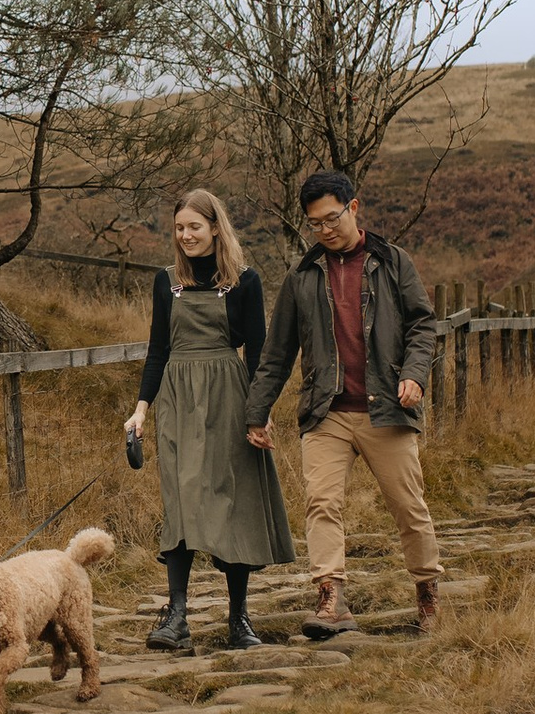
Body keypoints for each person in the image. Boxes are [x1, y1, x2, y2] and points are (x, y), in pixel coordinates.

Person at [245, 168, 446, 638]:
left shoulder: (394, 262)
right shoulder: (302, 276)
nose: (326, 229)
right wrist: (257, 413)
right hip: (326, 410)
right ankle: (331, 600)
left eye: (332, 218)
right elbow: (277, 353)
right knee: (321, 502)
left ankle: (428, 597)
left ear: (354, 208)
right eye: (315, 223)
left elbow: (423, 325)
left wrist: (415, 376)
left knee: (408, 507)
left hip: (386, 411)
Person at [124, 189, 294, 652]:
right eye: (179, 228)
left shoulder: (245, 281)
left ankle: (239, 620)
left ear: (215, 227)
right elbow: (158, 350)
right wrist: (141, 409)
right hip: (178, 400)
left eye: (194, 227)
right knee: (179, 503)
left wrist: (259, 413)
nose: (186, 236)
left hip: (228, 398)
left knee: (229, 504)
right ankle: (176, 617)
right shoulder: (166, 282)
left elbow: (259, 350)